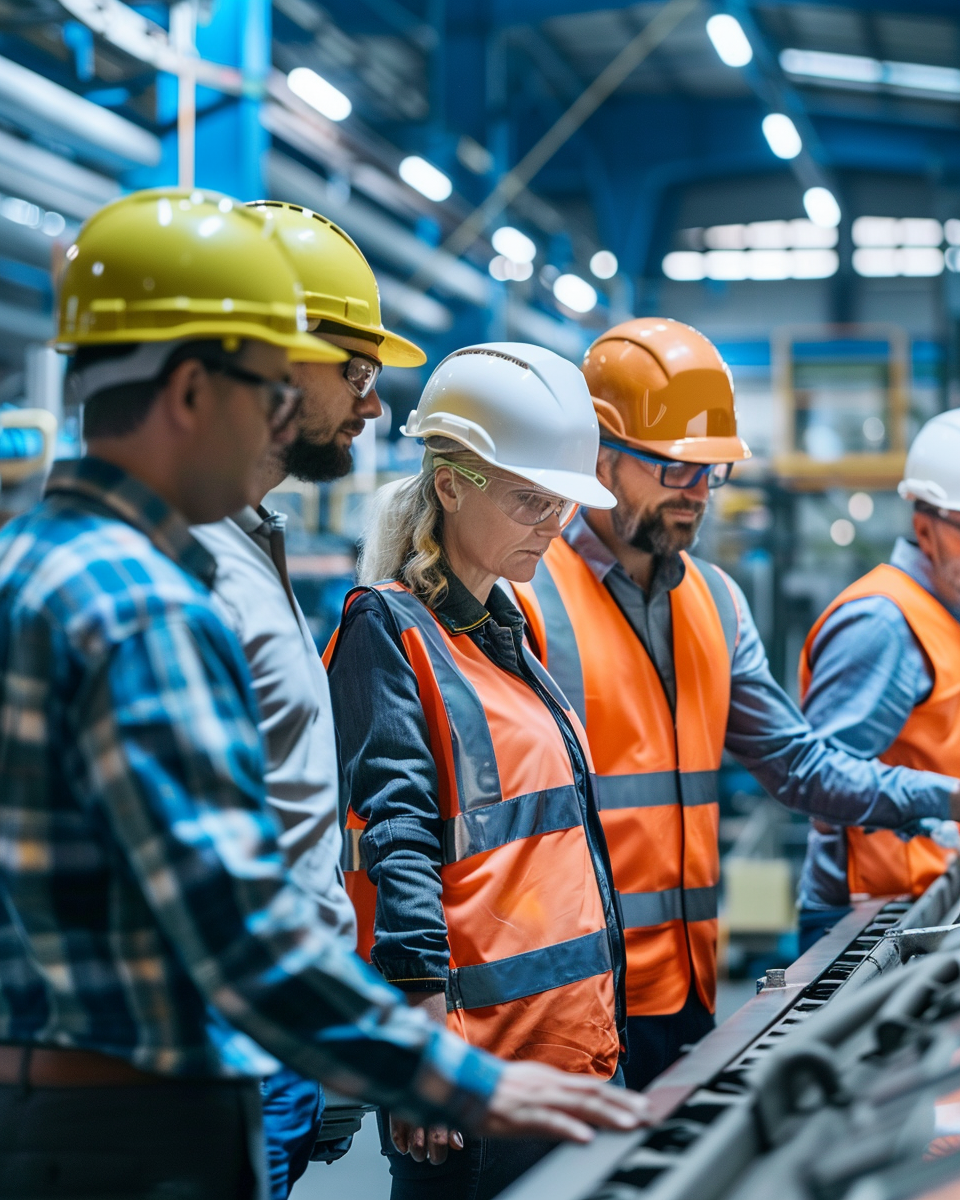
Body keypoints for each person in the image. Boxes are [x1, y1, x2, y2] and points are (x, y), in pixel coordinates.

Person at [0, 192, 647, 1200]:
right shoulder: (147, 611)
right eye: (269, 390)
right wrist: (460, 1078)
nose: (284, 421)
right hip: (143, 1118)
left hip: (60, 1100)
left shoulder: (32, 566)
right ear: (187, 393)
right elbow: (236, 930)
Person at [509, 317, 960, 1091]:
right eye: (674, 469)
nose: (695, 496)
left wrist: (945, 796)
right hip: (548, 1006)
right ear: (600, 457)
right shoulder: (524, 594)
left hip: (681, 991)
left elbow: (801, 765)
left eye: (709, 474)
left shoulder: (716, 603)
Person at [327, 343, 632, 1200]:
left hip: (568, 1058)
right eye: (531, 499)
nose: (555, 524)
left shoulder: (506, 631)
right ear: (453, 483)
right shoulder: (388, 633)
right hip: (478, 1080)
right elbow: (399, 844)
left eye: (564, 503)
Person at [192, 200, 428, 1199]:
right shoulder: (190, 567)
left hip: (280, 1042)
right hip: (227, 1054)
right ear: (277, 361)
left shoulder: (252, 542)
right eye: (358, 372)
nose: (372, 406)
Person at [797, 409, 960, 952]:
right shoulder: (883, 624)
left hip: (926, 909)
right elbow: (822, 783)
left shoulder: (944, 611)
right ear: (924, 527)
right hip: (866, 926)